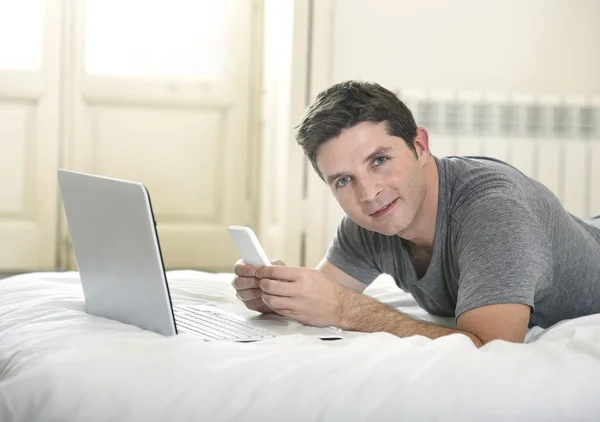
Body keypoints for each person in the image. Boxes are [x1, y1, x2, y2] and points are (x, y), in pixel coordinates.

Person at [232, 80, 600, 347]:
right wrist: (278, 296)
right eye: (344, 180)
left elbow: (492, 348)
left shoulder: (495, 214)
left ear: (420, 145)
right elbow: (326, 296)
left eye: (380, 160)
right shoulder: (369, 219)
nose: (369, 193)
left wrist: (348, 310)